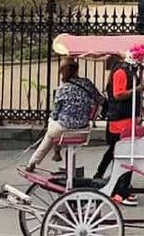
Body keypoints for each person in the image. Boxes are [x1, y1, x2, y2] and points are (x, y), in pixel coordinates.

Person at [28, 59, 103, 173]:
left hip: (63, 129)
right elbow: (100, 99)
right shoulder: (87, 83)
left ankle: (34, 161)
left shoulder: (62, 89)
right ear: (77, 70)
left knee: (51, 129)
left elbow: (55, 113)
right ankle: (55, 151)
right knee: (54, 129)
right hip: (83, 128)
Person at [92, 56, 137, 206]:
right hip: (121, 121)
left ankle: (101, 175)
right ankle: (120, 191)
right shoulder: (121, 72)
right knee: (126, 155)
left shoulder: (121, 71)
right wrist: (138, 89)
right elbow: (119, 94)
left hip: (121, 119)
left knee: (115, 152)